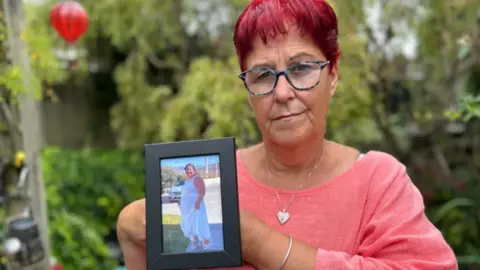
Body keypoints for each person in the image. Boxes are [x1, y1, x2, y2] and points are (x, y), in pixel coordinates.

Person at [117, 0, 458, 269]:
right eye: (263, 74)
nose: (282, 92)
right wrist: (133, 236)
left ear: (334, 75)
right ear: (247, 87)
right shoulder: (214, 178)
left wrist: (257, 241)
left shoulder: (377, 183)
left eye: (301, 68)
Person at [180, 164, 211, 250]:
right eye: (186, 170)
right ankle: (195, 242)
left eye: (190, 169)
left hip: (196, 207)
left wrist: (197, 202)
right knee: (191, 226)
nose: (188, 171)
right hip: (187, 209)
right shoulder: (187, 180)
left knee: (200, 224)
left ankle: (206, 243)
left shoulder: (197, 179)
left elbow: (202, 192)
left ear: (194, 170)